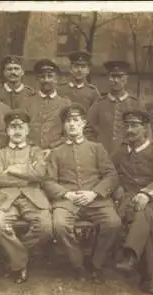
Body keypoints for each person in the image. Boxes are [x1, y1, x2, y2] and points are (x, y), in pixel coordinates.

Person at [43, 104, 121, 283]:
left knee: (114, 223)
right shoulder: (56, 152)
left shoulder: (96, 148)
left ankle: (96, 264)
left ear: (83, 123)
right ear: (63, 125)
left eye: (76, 120)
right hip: (67, 201)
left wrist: (94, 193)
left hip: (95, 200)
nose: (72, 124)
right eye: (68, 121)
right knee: (60, 225)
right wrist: (65, 194)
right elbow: (48, 181)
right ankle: (78, 264)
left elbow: (111, 175)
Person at [111, 108, 153, 294]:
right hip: (130, 203)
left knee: (143, 214)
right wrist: (117, 189)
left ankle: (130, 255)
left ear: (145, 128)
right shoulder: (121, 152)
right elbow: (109, 173)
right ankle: (147, 279)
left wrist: (147, 194)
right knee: (141, 219)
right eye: (127, 126)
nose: (129, 130)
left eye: (134, 126)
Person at [0, 111, 53, 284]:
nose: (17, 131)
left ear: (27, 130)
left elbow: (40, 174)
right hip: (5, 197)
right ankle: (21, 262)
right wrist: (27, 172)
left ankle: (13, 257)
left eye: (21, 127)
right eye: (13, 127)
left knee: (46, 227)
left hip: (33, 196)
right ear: (7, 131)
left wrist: (11, 169)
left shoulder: (36, 151)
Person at [87, 60, 139, 155]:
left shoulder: (136, 105)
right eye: (112, 76)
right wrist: (95, 149)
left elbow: (146, 132)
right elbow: (87, 130)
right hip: (103, 155)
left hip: (128, 156)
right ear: (108, 78)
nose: (115, 80)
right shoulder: (99, 104)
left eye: (119, 77)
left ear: (126, 79)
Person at [21, 59, 72, 150]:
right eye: (42, 77)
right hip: (29, 151)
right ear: (37, 79)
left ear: (56, 79)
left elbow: (68, 133)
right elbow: (20, 128)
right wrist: (31, 146)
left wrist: (52, 148)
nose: (46, 80)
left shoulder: (65, 104)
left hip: (56, 152)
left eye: (50, 76)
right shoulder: (27, 102)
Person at [58, 50, 100, 137]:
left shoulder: (92, 92)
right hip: (61, 136)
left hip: (83, 136)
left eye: (83, 66)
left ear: (88, 70)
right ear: (70, 69)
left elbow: (94, 119)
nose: (79, 70)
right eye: (76, 66)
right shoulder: (60, 89)